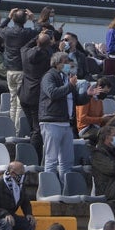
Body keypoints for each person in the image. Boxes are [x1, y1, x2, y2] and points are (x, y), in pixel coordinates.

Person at [39, 52, 97, 186]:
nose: (68, 64)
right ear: (57, 63)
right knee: (51, 159)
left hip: (66, 123)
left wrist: (87, 95)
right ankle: (49, 188)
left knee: (67, 160)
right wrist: (70, 85)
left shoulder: (66, 77)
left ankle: (66, 188)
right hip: (52, 122)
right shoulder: (49, 76)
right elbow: (53, 93)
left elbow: (76, 99)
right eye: (65, 61)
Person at [0, 8, 38, 128]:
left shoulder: (7, 31)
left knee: (12, 102)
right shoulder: (26, 33)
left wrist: (8, 17)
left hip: (10, 71)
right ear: (25, 20)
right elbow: (39, 30)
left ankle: (12, 128)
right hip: (21, 71)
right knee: (20, 103)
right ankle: (17, 130)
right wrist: (34, 18)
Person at [19, 33, 53, 161]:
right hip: (36, 96)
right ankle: (35, 158)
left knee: (33, 129)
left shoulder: (25, 52)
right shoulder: (46, 56)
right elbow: (55, 60)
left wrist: (37, 36)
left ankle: (33, 156)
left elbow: (25, 45)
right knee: (36, 129)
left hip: (24, 94)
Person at [76, 77, 112, 143]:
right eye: (105, 92)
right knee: (105, 135)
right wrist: (101, 119)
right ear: (98, 88)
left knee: (113, 130)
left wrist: (108, 118)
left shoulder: (99, 101)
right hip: (85, 129)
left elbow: (101, 117)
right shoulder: (86, 98)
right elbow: (82, 118)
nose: (106, 94)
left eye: (107, 92)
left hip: (96, 127)